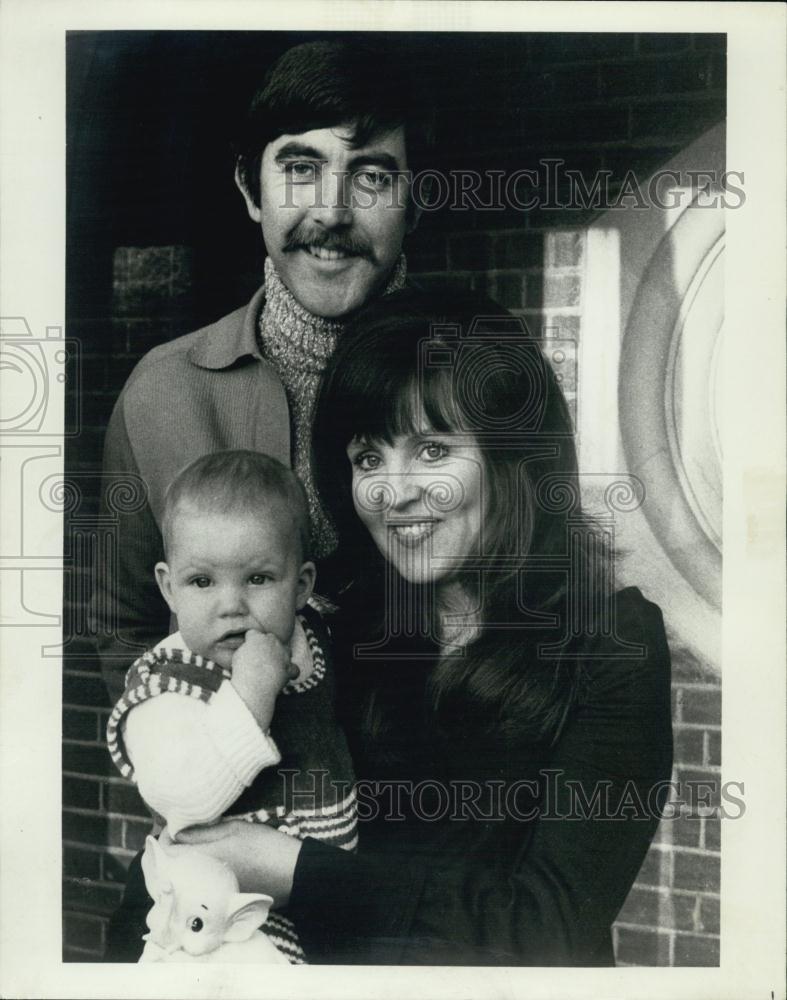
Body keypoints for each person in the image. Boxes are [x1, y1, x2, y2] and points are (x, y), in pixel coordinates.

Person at [160, 289, 674, 966]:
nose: (391, 491)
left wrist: (292, 872)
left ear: (512, 457)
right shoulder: (325, 637)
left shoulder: (611, 648)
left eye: (431, 450)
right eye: (367, 458)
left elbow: (550, 924)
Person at [92, 38, 431, 703]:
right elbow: (124, 627)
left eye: (370, 176)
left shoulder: (476, 381)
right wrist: (198, 781)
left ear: (412, 201)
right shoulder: (163, 391)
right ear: (251, 189)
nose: (331, 213)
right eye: (301, 169)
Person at [104, 450, 356, 963]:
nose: (231, 604)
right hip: (224, 925)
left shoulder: (312, 636)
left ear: (302, 586)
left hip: (317, 895)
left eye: (258, 579)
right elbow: (181, 796)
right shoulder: (167, 682)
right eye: (202, 581)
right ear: (168, 587)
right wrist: (250, 695)